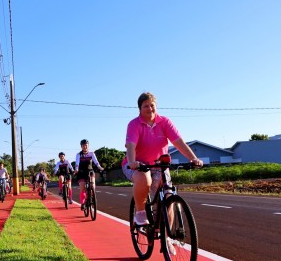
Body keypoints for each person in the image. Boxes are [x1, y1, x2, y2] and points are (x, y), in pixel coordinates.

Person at [123, 92, 203, 226]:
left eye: (152, 105)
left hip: (160, 165)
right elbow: (131, 145)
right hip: (138, 165)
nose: (150, 109)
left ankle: (167, 240)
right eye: (145, 106)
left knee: (168, 197)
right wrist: (132, 162)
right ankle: (140, 213)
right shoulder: (134, 124)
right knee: (143, 178)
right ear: (140, 109)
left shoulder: (165, 122)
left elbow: (179, 143)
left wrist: (193, 158)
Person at [74, 139, 104, 210]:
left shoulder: (91, 153)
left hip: (90, 171)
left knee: (92, 186)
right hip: (81, 172)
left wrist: (99, 167)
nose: (85, 146)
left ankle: (91, 196)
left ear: (88, 146)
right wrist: (76, 169)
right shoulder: (79, 155)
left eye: (86, 145)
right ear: (81, 146)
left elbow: (96, 162)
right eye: (83, 145)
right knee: (82, 188)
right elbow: (77, 164)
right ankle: (83, 203)